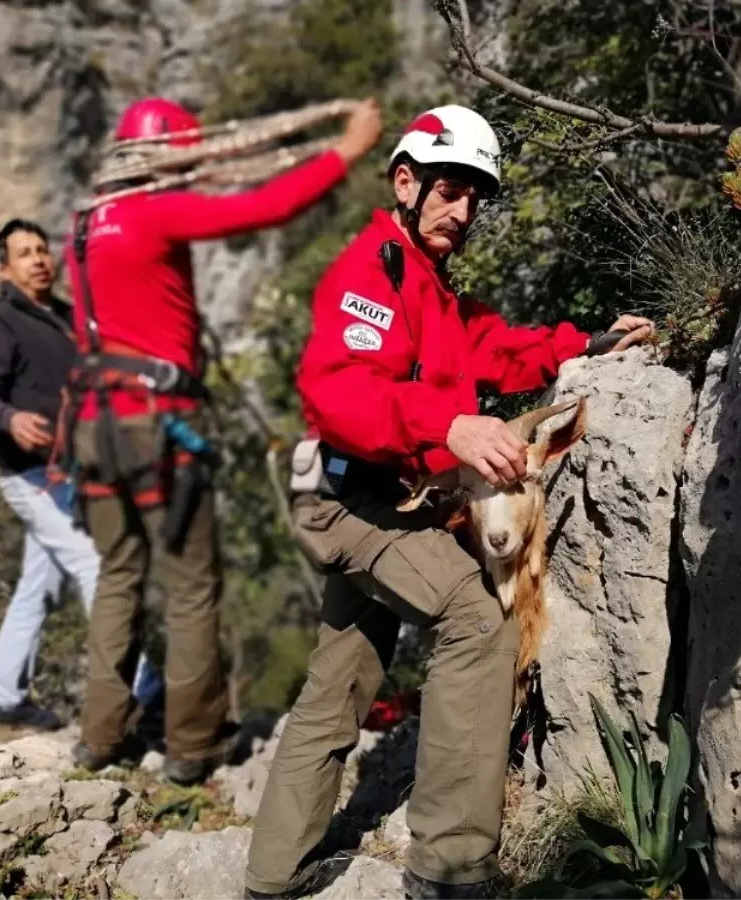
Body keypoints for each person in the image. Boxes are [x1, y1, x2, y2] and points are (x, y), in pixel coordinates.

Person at [243, 105, 654, 900]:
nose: (463, 211)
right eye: (449, 190)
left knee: (342, 677)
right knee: (475, 618)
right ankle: (451, 869)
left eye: (474, 197)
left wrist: (584, 344)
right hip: (358, 500)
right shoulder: (374, 272)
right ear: (407, 181)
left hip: (377, 498)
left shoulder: (426, 283)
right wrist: (452, 425)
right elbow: (338, 393)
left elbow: (493, 347)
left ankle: (271, 875)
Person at [64, 96, 385, 786]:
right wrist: (348, 150)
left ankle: (100, 736)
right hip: (154, 424)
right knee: (190, 585)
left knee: (119, 574)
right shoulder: (154, 212)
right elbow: (264, 208)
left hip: (92, 422)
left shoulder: (83, 222)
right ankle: (193, 744)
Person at [0, 218, 162, 731]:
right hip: (30, 475)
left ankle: (3, 700)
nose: (38, 259)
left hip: (74, 469)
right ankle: (139, 691)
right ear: (4, 268)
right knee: (100, 564)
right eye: (24, 253)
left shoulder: (67, 319)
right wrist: (10, 418)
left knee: (39, 585)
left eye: (42, 249)